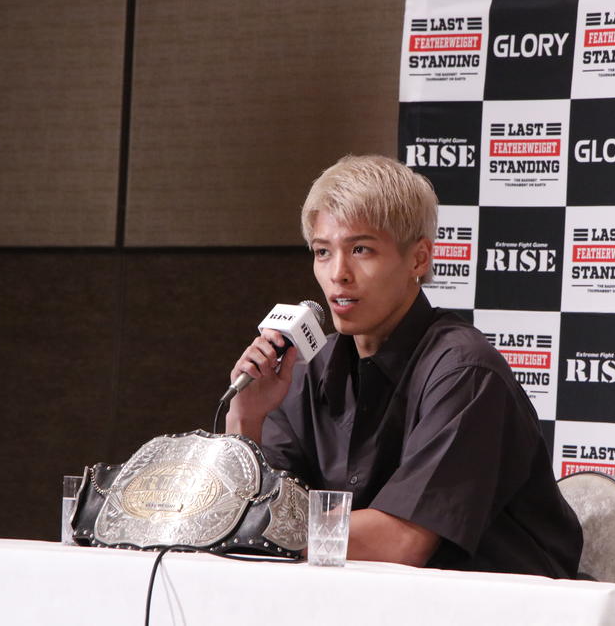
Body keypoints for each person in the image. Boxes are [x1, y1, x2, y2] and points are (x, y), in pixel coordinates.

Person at [225, 154, 582, 578]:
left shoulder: (464, 373)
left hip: (506, 602)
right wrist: (246, 418)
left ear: (419, 259)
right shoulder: (305, 371)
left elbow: (400, 541)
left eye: (361, 249)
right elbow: (252, 507)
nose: (338, 273)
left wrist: (261, 529)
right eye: (323, 252)